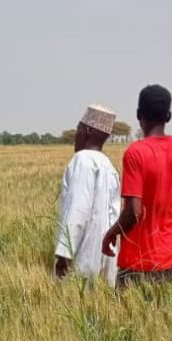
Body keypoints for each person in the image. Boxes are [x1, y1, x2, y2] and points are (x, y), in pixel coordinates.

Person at [101, 85, 172, 286]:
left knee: (127, 318)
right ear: (169, 116)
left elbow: (134, 212)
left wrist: (111, 234)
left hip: (136, 264)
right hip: (168, 261)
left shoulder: (135, 153)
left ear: (139, 114)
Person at [53, 104, 121, 286]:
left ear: (87, 130)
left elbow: (77, 210)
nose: (75, 136)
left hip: (84, 252)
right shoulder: (109, 166)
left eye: (78, 130)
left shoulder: (82, 160)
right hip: (108, 255)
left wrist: (64, 254)